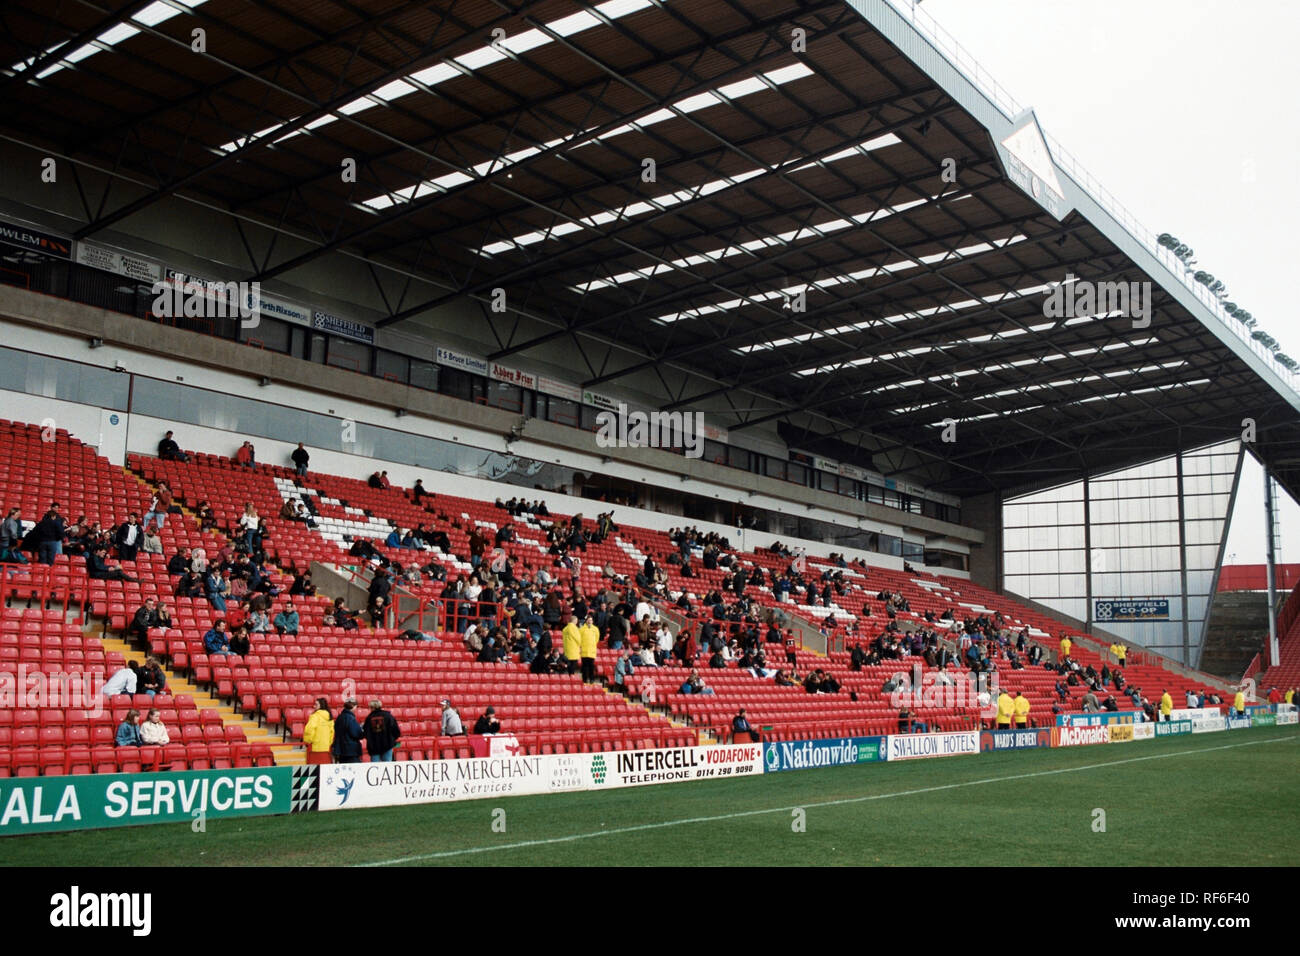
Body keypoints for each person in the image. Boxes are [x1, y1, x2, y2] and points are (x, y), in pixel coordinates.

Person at [303, 698, 334, 764]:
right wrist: (328, 744)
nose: (314, 706)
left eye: (316, 704)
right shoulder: (330, 718)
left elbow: (309, 730)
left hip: (315, 748)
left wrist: (308, 741)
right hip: (326, 748)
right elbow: (332, 733)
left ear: (321, 705)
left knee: (314, 771)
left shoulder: (315, 716)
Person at [579, 614, 600, 684]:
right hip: (584, 651)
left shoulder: (595, 629)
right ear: (586, 621)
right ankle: (584, 679)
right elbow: (579, 639)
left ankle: (591, 679)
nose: (589, 621)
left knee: (591, 666)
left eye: (591, 620)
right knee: (584, 666)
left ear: (592, 621)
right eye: (588, 620)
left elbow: (597, 639)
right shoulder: (581, 629)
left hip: (592, 651)